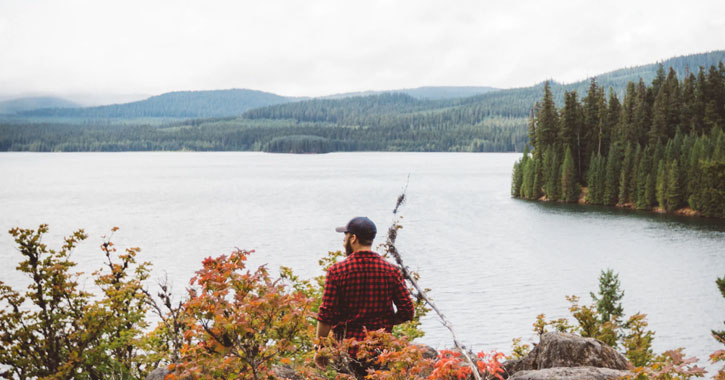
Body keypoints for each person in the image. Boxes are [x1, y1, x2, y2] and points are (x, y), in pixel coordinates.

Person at [314, 216, 415, 377]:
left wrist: (320, 349)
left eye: (345, 237)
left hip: (347, 352)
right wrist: (388, 322)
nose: (344, 241)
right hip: (380, 351)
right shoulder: (391, 270)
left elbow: (326, 315)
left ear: (353, 238)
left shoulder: (337, 271)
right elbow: (407, 310)